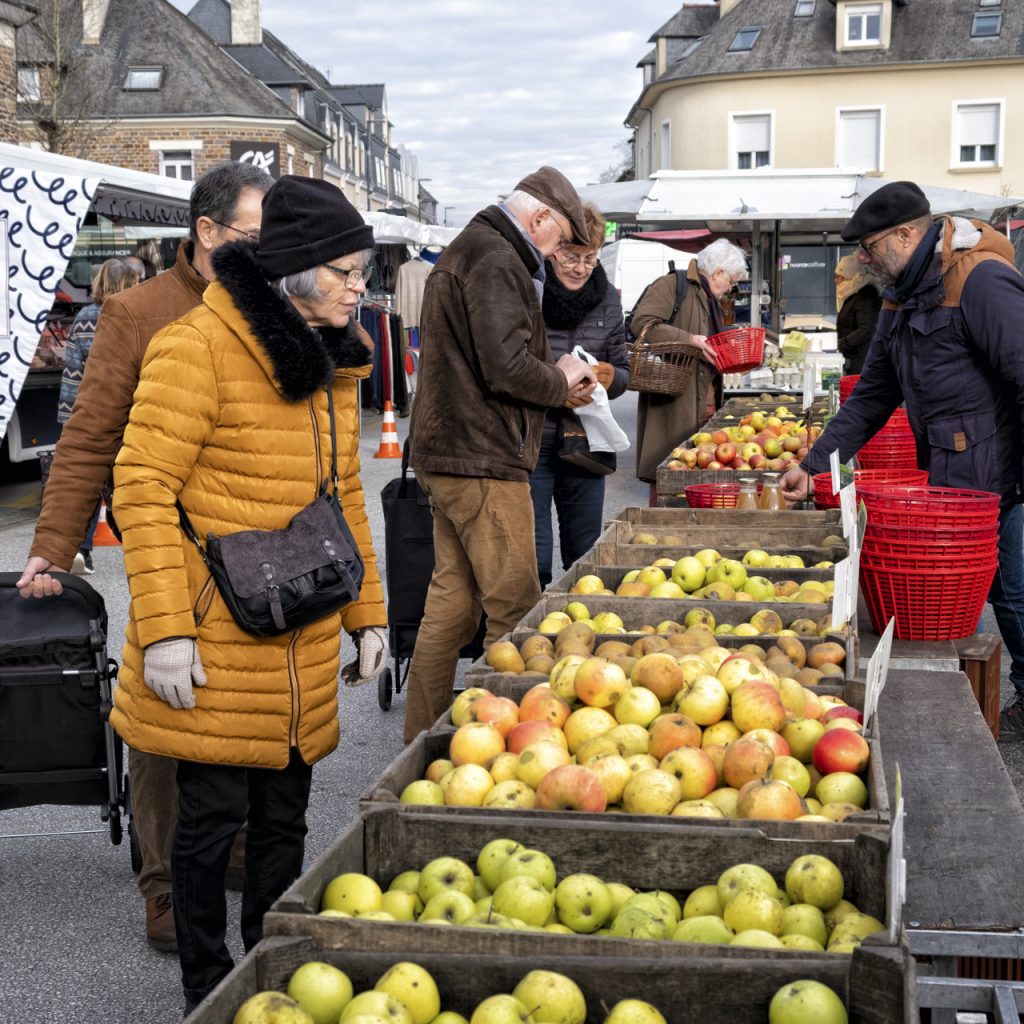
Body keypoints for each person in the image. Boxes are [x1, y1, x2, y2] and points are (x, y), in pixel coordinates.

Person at [109, 175, 388, 1012]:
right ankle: (205, 984)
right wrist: (164, 630)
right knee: (209, 820)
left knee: (286, 814)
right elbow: (142, 486)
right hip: (212, 631)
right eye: (346, 271)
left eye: (363, 272)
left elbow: (343, 498)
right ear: (298, 270)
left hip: (297, 630)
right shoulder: (195, 347)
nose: (359, 287)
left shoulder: (331, 359)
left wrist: (369, 611)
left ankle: (269, 969)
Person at [17, 161, 273, 953]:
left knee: (246, 705)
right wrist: (53, 548)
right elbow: (91, 433)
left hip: (261, 547)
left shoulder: (270, 305)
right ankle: (162, 883)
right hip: (168, 546)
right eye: (254, 237)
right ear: (205, 232)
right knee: (162, 715)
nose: (268, 253)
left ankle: (228, 845)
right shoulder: (137, 312)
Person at [780, 180, 1024, 742]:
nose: (862, 258)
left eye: (869, 245)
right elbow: (872, 394)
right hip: (949, 478)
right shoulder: (902, 293)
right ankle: (971, 703)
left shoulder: (979, 281)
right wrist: (817, 463)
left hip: (997, 479)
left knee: (1008, 589)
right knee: (984, 592)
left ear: (908, 234)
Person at [403, 166, 597, 742]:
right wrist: (561, 380)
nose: (559, 251)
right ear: (538, 218)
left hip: (453, 454)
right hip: (480, 457)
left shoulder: (475, 248)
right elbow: (505, 366)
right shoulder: (495, 258)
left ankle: (424, 741)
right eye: (559, 238)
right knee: (515, 611)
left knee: (453, 607)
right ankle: (504, 745)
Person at [529, 202, 630, 588]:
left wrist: (608, 376)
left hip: (588, 446)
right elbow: (510, 364)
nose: (580, 268)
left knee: (585, 554)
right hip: (534, 443)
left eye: (590, 258)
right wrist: (554, 386)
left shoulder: (607, 298)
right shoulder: (530, 293)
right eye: (572, 256)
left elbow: (623, 370)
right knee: (533, 556)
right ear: (553, 249)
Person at [631, 239, 748, 498]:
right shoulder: (672, 285)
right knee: (668, 474)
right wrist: (689, 340)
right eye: (731, 281)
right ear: (718, 272)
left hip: (705, 402)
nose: (731, 288)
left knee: (696, 476)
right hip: (674, 401)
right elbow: (642, 324)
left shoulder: (709, 299)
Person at [56, 257, 142, 575]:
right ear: (124, 285)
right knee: (127, 480)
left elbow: (74, 367)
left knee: (87, 480)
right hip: (116, 413)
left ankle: (81, 549)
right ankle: (140, 545)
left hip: (77, 410)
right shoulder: (126, 317)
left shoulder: (84, 317)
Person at [834, 252, 881, 375]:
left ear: (849, 276)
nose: (835, 281)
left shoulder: (865, 294)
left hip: (862, 361)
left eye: (839, 276)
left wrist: (841, 344)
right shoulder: (852, 294)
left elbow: (866, 329)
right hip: (854, 357)